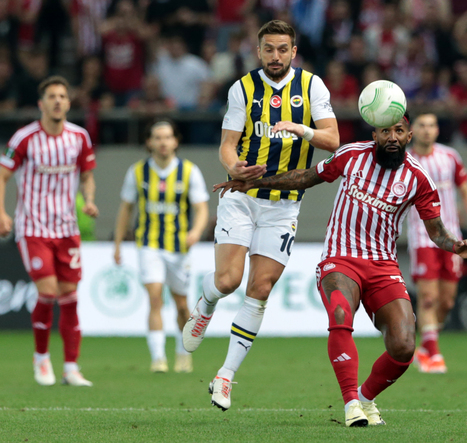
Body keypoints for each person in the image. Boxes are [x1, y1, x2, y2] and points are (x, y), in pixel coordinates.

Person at [213, 112, 467, 427]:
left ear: (408, 137)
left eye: (398, 131)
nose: (392, 137)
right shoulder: (351, 155)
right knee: (340, 314)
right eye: (385, 131)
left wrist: (454, 245)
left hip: (383, 265)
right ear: (374, 135)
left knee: (405, 345)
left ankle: (365, 397)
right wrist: (254, 183)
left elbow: (435, 231)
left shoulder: (418, 178)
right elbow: (305, 177)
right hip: (339, 259)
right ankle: (351, 403)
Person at [181, 19, 339, 411]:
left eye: (283, 49)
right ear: (259, 51)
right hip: (243, 195)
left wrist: (301, 129)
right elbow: (227, 145)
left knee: (261, 288)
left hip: (284, 204)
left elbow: (333, 140)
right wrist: (234, 166)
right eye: (269, 49)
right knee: (228, 280)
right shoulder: (243, 88)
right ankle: (206, 305)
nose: (275, 56)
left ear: (294, 52)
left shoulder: (312, 87)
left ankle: (225, 376)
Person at [0, 75, 98, 387]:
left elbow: (87, 175)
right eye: (52, 96)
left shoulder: (79, 137)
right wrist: (1, 212)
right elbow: (2, 175)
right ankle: (41, 358)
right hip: (33, 228)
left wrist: (89, 200)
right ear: (41, 104)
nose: (58, 101)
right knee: (48, 291)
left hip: (67, 228)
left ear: (68, 103)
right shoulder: (24, 138)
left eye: (62, 96)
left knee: (69, 296)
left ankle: (71, 367)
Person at [113, 119, 209, 373]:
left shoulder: (189, 171)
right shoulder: (137, 172)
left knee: (181, 305)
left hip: (179, 247)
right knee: (155, 297)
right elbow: (126, 208)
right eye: (157, 137)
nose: (163, 142)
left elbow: (201, 208)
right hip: (149, 244)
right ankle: (158, 358)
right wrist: (118, 243)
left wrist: (196, 231)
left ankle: (183, 353)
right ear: (149, 142)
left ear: (176, 141)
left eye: (167, 137)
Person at [407, 113, 467, 373]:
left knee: (447, 301)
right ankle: (435, 354)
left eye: (431, 125)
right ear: (413, 131)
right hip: (422, 237)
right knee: (428, 298)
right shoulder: (405, 161)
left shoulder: (450, 157)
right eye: (422, 125)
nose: (427, 130)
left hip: (452, 239)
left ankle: (425, 347)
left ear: (438, 130)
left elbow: (466, 191)